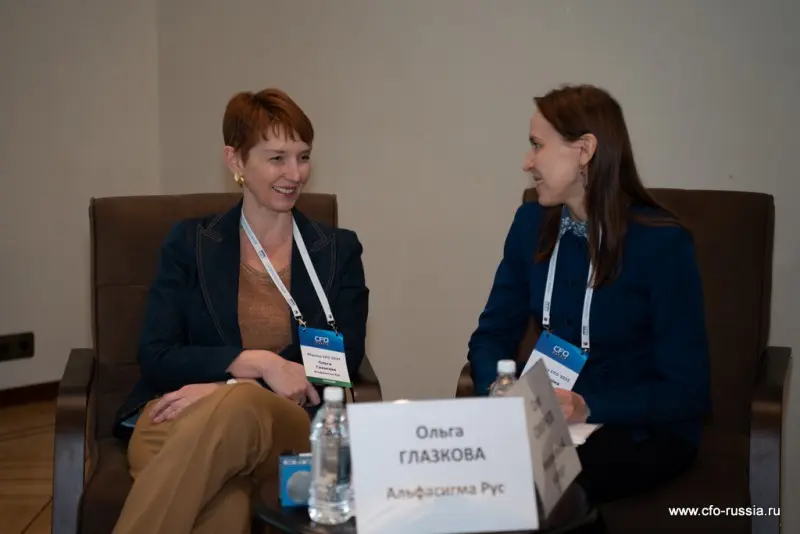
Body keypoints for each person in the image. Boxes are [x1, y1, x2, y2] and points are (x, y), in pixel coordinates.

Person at [111, 88, 369, 534]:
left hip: (286, 425)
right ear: (235, 160)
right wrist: (257, 362)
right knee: (224, 497)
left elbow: (342, 358)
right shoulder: (189, 243)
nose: (294, 174)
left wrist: (229, 388)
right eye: (277, 158)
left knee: (241, 406)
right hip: (175, 416)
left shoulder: (335, 250)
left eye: (303, 157)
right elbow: (156, 355)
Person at [467, 84, 710, 505]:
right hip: (547, 422)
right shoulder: (529, 225)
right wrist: (498, 389)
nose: (527, 162)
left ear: (584, 150)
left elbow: (688, 390)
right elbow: (491, 335)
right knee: (459, 472)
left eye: (537, 145)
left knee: (542, 488)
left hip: (637, 428)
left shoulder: (661, 245)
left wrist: (587, 405)